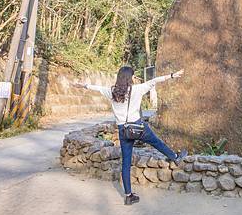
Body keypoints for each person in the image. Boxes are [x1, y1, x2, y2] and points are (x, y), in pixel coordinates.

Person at [73, 66, 187, 205]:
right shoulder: (137, 89)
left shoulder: (111, 91)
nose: (134, 78)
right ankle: (175, 157)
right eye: (133, 76)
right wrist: (172, 75)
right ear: (130, 77)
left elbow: (95, 88)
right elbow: (154, 81)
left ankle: (128, 196)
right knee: (157, 142)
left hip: (123, 130)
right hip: (139, 127)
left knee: (125, 163)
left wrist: (82, 85)